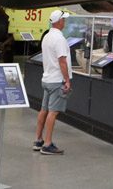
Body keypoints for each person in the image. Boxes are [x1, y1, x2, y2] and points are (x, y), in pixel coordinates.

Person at [34, 10, 71, 155]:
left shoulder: (47, 37)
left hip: (47, 79)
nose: (65, 22)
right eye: (64, 20)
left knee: (44, 109)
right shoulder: (60, 39)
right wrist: (67, 80)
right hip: (56, 81)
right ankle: (48, 144)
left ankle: (38, 140)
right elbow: (62, 61)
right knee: (53, 112)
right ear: (59, 21)